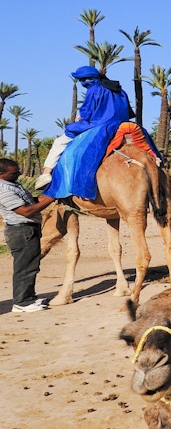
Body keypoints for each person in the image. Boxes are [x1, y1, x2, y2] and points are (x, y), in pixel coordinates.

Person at [35, 66, 134, 190]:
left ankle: (46, 174)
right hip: (123, 124)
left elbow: (87, 110)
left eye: (83, 79)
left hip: (101, 125)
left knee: (59, 142)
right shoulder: (119, 90)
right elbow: (129, 111)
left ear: (90, 78)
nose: (83, 82)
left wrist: (80, 117)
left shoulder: (95, 89)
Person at [0, 159, 56, 312]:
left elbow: (31, 201)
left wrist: (50, 196)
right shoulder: (3, 189)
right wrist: (52, 198)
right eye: (14, 172)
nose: (19, 173)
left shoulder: (13, 185)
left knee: (31, 265)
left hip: (27, 229)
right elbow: (26, 211)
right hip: (21, 231)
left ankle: (29, 298)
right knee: (24, 268)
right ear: (2, 174)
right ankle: (21, 303)